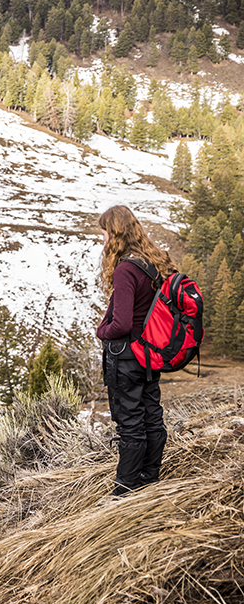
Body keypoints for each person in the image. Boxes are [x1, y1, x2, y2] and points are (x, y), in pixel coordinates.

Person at [96, 205, 176, 495]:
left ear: (115, 233)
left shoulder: (125, 269)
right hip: (149, 354)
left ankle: (126, 488)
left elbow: (122, 323)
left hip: (126, 357)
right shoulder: (152, 263)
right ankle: (150, 477)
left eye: (104, 231)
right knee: (151, 414)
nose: (102, 238)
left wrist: (101, 331)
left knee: (129, 422)